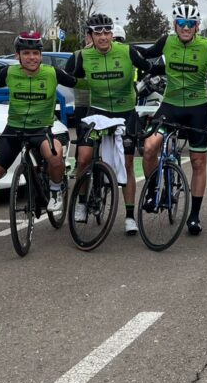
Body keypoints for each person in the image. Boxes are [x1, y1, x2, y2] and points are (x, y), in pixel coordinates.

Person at [0, 31, 76, 247]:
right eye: (26, 53)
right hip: (14, 130)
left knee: (55, 155)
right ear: (18, 55)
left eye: (35, 53)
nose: (32, 57)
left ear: (41, 55)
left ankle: (56, 191)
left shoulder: (52, 73)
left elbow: (80, 83)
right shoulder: (9, 72)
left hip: (41, 129)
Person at [141, 3, 207, 235]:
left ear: (197, 26)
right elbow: (144, 54)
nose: (186, 27)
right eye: (181, 22)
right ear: (174, 24)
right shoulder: (166, 41)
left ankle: (194, 215)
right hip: (170, 106)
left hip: (197, 108)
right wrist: (113, 46)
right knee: (149, 147)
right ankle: (152, 191)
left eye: (191, 23)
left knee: (198, 162)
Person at [66, 12, 154, 236]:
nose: (104, 37)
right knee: (84, 158)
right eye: (98, 33)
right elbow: (70, 77)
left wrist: (149, 83)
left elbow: (149, 67)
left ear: (112, 34)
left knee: (127, 164)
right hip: (98, 111)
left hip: (125, 113)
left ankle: (130, 216)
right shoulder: (83, 56)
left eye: (107, 32)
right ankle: (82, 202)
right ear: (90, 36)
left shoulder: (126, 51)